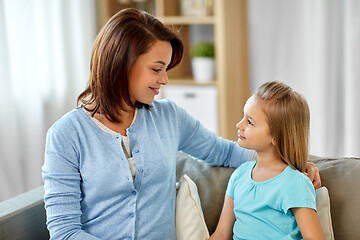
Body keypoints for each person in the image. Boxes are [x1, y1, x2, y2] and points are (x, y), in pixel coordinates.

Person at [42, 9, 321, 240]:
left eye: (166, 69)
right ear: (120, 63)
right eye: (156, 68)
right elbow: (65, 231)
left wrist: (293, 163)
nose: (164, 80)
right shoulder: (66, 135)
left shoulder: (169, 117)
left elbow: (226, 152)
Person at [209, 81, 325, 240]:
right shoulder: (238, 176)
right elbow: (221, 234)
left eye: (249, 122)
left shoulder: (295, 183)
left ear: (276, 137)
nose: (239, 125)